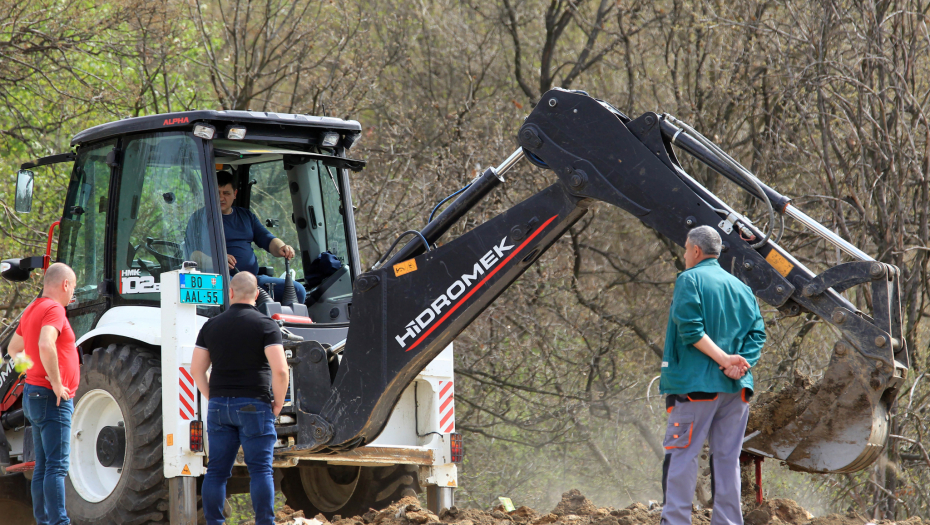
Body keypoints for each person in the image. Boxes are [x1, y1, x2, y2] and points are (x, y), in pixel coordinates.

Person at [659, 226, 766, 525]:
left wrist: (724, 360)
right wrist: (740, 365)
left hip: (697, 387)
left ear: (695, 250)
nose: (684, 255)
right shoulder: (741, 288)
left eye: (684, 249)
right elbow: (757, 334)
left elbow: (691, 331)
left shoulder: (689, 279)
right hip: (737, 389)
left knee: (682, 454)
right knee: (727, 460)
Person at [190, 272, 289, 525]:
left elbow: (197, 369)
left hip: (219, 406)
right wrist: (277, 403)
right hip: (255, 404)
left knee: (217, 472)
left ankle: (215, 522)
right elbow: (280, 370)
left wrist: (212, 396)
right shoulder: (267, 325)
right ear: (257, 294)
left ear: (230, 293)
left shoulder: (210, 326)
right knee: (260, 470)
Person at [7, 263, 78, 525]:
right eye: (74, 287)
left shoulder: (32, 309)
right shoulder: (55, 309)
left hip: (34, 394)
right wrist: (58, 384)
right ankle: (59, 523)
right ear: (65, 285)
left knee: (43, 467)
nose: (73, 295)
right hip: (52, 397)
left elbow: (14, 349)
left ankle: (43, 521)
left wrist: (31, 371)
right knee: (56, 467)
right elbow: (46, 344)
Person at [187, 170, 306, 303]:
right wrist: (217, 260)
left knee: (298, 290)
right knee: (240, 292)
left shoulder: (246, 216)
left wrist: (282, 247)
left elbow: (266, 238)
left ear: (235, 194)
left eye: (226, 193)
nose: (221, 198)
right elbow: (193, 255)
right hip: (218, 280)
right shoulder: (199, 219)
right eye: (217, 193)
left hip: (251, 278)